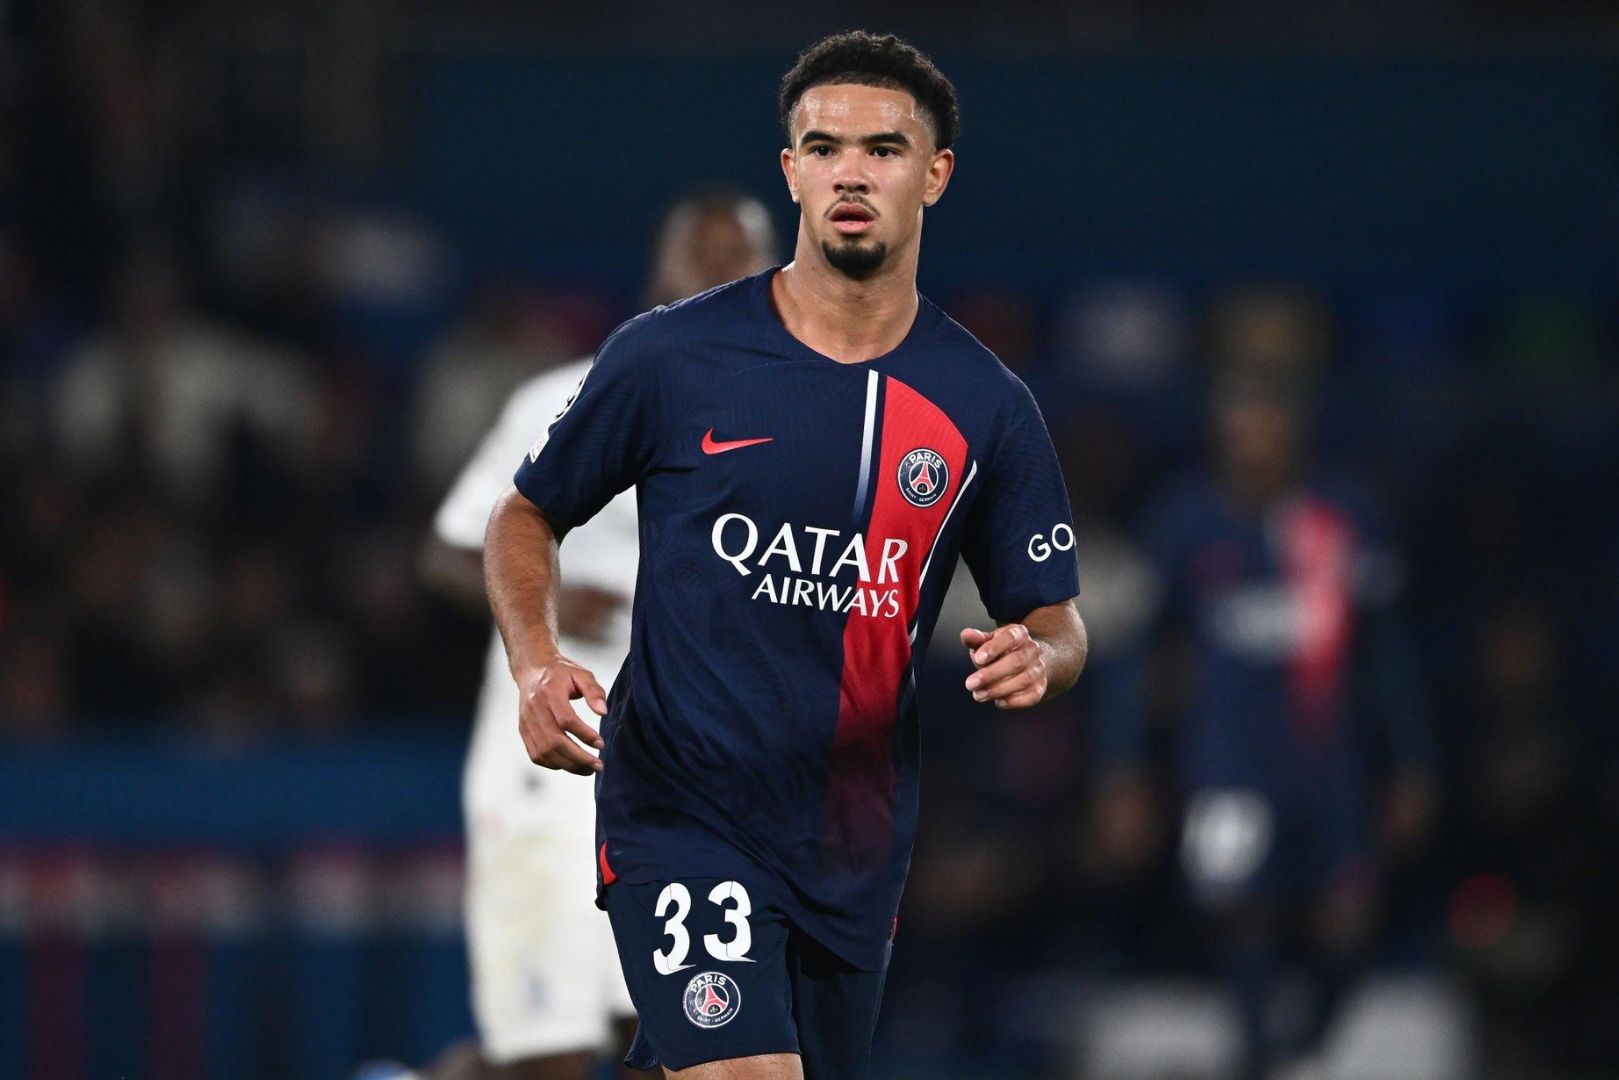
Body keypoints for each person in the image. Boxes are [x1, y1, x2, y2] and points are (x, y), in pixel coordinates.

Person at [483, 32, 1088, 1080]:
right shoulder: (672, 356)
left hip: (851, 841)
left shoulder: (984, 405)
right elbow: (522, 518)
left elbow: (1055, 616)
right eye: (823, 146)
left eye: (883, 149)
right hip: (680, 804)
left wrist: (1041, 656)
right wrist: (534, 661)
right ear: (792, 171)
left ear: (934, 174)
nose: (850, 170)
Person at [358, 190, 777, 1080]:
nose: (713, 276)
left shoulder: (789, 428)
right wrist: (545, 603)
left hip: (691, 767)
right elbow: (443, 552)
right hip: (554, 754)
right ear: (660, 271)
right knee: (552, 1047)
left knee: (677, 1041)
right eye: (698, 256)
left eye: (735, 258)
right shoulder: (568, 394)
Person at [1093, 370, 1436, 1080]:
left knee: (1349, 919)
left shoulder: (1344, 518)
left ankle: (1302, 1044)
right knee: (1237, 911)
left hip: (1328, 765)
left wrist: (1411, 763)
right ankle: (1258, 1059)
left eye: (1265, 421)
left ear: (1293, 430)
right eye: (1237, 422)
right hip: (1226, 766)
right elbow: (1134, 654)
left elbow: (1386, 652)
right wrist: (1120, 770)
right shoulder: (1182, 522)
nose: (1250, 440)